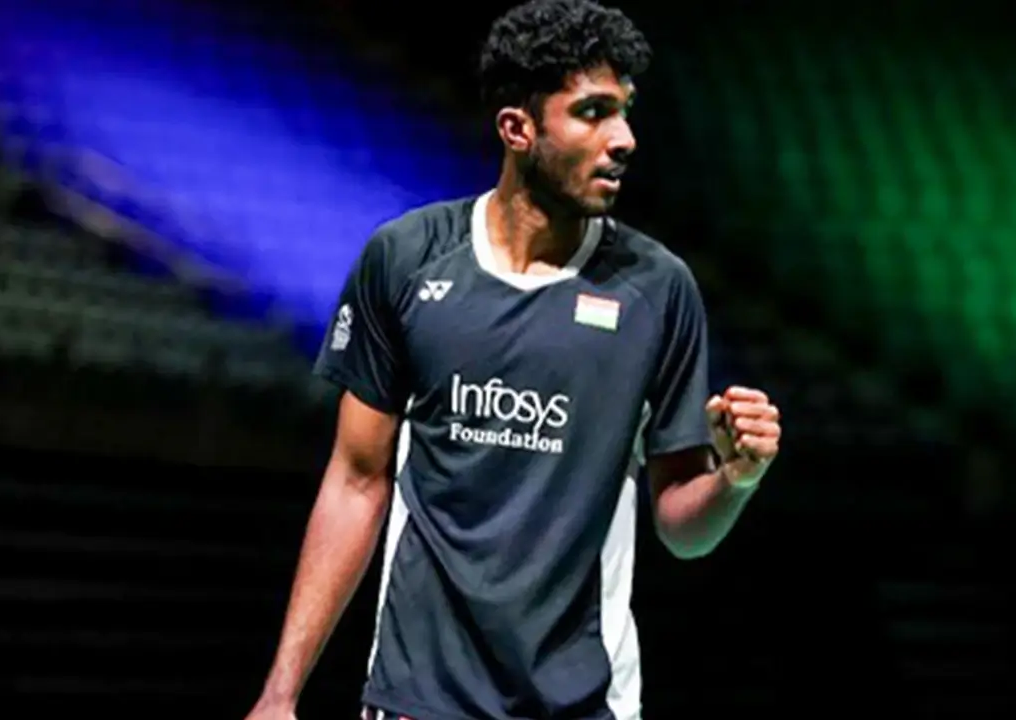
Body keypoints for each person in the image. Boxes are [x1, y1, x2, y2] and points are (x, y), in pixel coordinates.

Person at [246, 1, 783, 718]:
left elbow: (683, 529)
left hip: (583, 705)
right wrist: (281, 693)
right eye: (593, 113)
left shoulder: (658, 290)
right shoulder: (406, 259)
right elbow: (354, 481)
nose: (624, 138)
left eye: (625, 112)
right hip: (416, 700)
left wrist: (736, 480)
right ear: (518, 129)